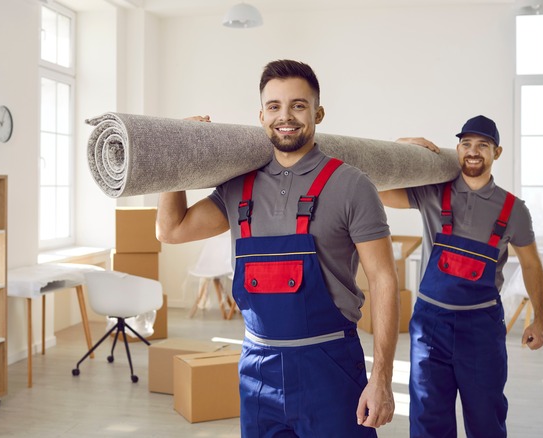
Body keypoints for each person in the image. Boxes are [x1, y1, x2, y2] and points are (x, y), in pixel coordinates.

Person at [156, 59, 399, 437]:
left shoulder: (352, 186)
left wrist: (382, 378)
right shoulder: (238, 187)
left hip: (329, 366)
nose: (285, 116)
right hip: (258, 369)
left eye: (298, 105)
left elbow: (384, 280)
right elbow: (171, 230)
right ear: (261, 115)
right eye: (274, 106)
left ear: (318, 112)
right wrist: (178, 152)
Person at [379, 115, 543, 437]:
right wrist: (400, 148)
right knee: (428, 421)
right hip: (430, 327)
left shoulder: (513, 210)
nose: (473, 151)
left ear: (496, 153)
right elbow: (378, 191)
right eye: (466, 144)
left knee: (486, 420)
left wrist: (539, 318)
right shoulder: (431, 193)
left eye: (482, 145)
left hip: (481, 330)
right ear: (457, 149)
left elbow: (531, 264)